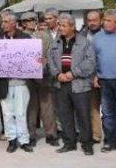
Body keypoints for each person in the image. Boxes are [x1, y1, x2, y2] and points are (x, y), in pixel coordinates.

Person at [49, 13, 96, 155]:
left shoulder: (84, 42)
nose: (60, 28)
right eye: (60, 25)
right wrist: (58, 74)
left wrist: (73, 73)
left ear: (72, 26)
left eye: (64, 26)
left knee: (83, 116)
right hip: (61, 84)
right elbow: (50, 60)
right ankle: (69, 143)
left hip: (79, 85)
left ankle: (87, 144)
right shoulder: (56, 42)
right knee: (64, 115)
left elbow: (90, 62)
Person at [0, 12, 35, 153]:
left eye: (5, 21)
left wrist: (38, 61)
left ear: (13, 23)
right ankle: (12, 140)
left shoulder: (25, 38)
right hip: (4, 84)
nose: (2, 24)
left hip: (22, 83)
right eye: (2, 21)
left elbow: (32, 58)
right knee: (7, 113)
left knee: (21, 113)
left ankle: (24, 141)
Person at [20, 12, 59, 147]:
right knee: (31, 107)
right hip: (27, 78)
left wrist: (46, 61)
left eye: (33, 19)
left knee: (47, 106)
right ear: (23, 22)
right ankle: (31, 135)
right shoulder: (19, 37)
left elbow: (51, 53)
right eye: (28, 20)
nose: (32, 22)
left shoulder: (44, 35)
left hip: (44, 75)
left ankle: (51, 135)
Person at [93, 9, 116, 152]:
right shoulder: (97, 37)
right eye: (104, 20)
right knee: (107, 113)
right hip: (104, 80)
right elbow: (94, 59)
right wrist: (95, 76)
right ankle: (109, 141)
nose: (105, 23)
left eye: (109, 20)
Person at [81, 10, 104, 144]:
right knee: (93, 107)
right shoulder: (82, 35)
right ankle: (96, 135)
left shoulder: (108, 34)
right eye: (89, 20)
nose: (92, 23)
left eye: (95, 20)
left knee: (109, 108)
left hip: (107, 76)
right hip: (89, 78)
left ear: (100, 20)